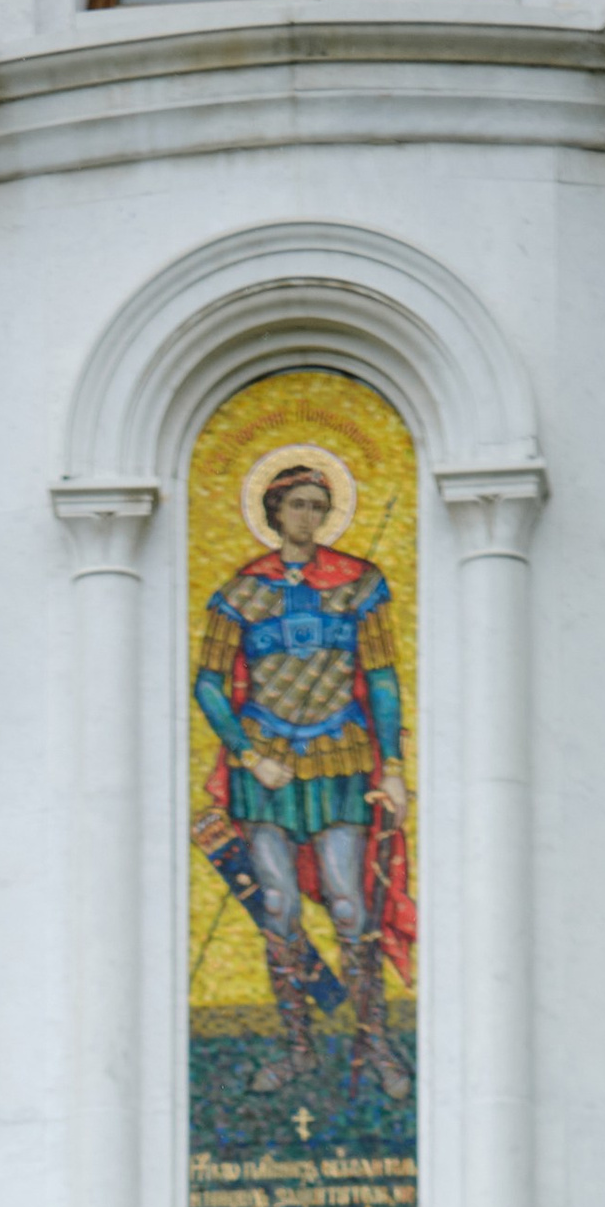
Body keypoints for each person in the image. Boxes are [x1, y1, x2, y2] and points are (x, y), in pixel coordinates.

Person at [193, 455, 415, 1100]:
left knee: (350, 905)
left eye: (319, 507)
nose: (309, 517)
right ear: (274, 511)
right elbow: (208, 685)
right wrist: (246, 753)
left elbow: (381, 679)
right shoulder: (240, 593)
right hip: (266, 768)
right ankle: (297, 1049)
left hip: (340, 760)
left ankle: (374, 1041)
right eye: (298, 505)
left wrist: (393, 768)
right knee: (279, 907)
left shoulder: (360, 585)